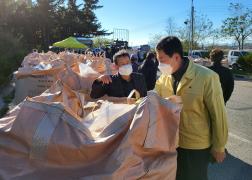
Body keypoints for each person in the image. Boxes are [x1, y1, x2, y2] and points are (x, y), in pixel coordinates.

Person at [154, 36, 228, 180]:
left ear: (176, 57)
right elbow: (153, 101)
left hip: (195, 146)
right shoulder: (164, 78)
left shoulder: (207, 77)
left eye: (161, 59)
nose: (159, 64)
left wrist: (219, 146)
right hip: (170, 142)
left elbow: (218, 114)